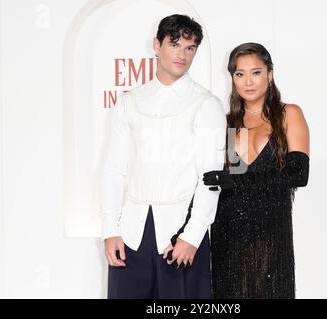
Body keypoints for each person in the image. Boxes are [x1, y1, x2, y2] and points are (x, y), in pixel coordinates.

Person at [99, 14, 226, 299]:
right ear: (156, 45)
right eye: (175, 44)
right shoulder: (128, 102)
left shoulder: (208, 105)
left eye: (190, 48)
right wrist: (110, 229)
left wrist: (192, 237)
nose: (183, 54)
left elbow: (212, 179)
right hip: (130, 235)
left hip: (181, 233)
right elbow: (113, 169)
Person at [203, 42, 310, 299]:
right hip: (228, 232)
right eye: (240, 74)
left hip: (271, 234)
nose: (248, 82)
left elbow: (298, 174)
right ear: (232, 78)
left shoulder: (288, 115)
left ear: (270, 74)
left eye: (256, 72)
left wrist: (236, 181)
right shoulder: (226, 122)